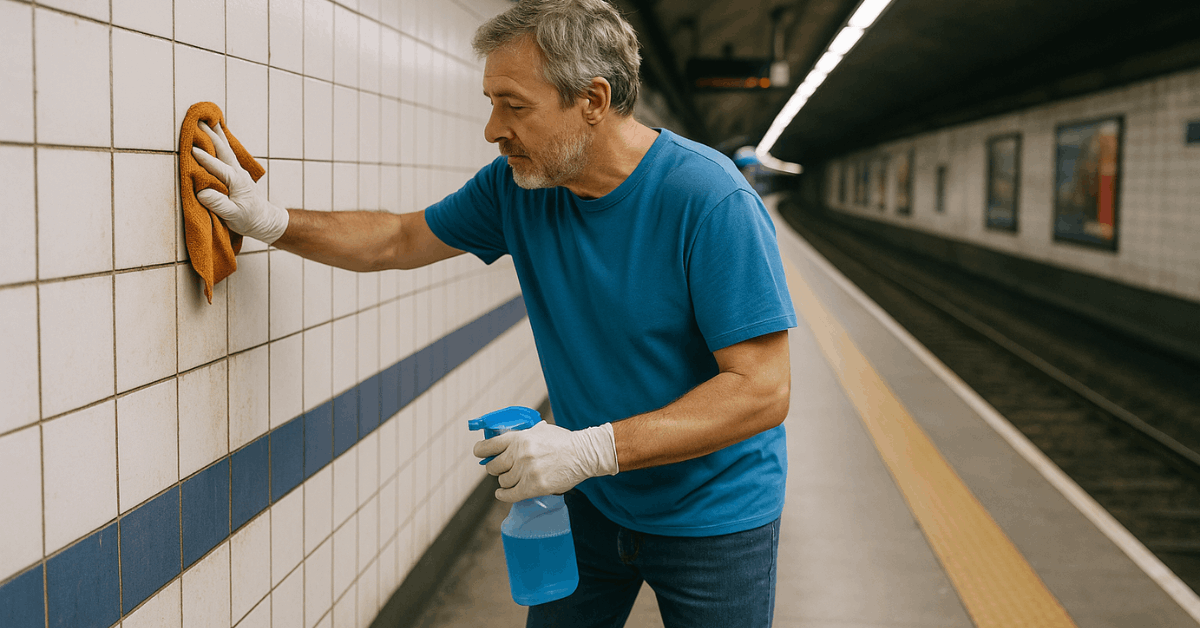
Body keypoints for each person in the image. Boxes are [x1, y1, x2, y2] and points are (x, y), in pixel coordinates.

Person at [191, 1, 795, 626]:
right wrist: (274, 223)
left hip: (714, 516)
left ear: (592, 99)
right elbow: (399, 239)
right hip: (592, 498)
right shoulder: (515, 188)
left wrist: (591, 449)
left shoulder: (710, 200)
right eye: (491, 101)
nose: (492, 129)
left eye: (514, 105)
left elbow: (761, 391)